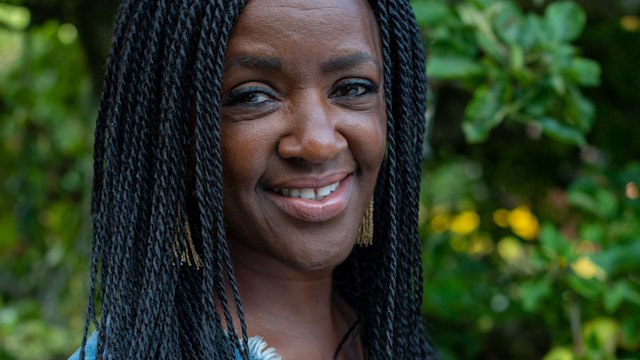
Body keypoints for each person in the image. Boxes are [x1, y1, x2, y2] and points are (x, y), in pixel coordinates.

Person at [70, 0, 437, 358]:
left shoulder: (392, 337)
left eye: (352, 88)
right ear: (169, 130)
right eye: (252, 96)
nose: (319, 143)